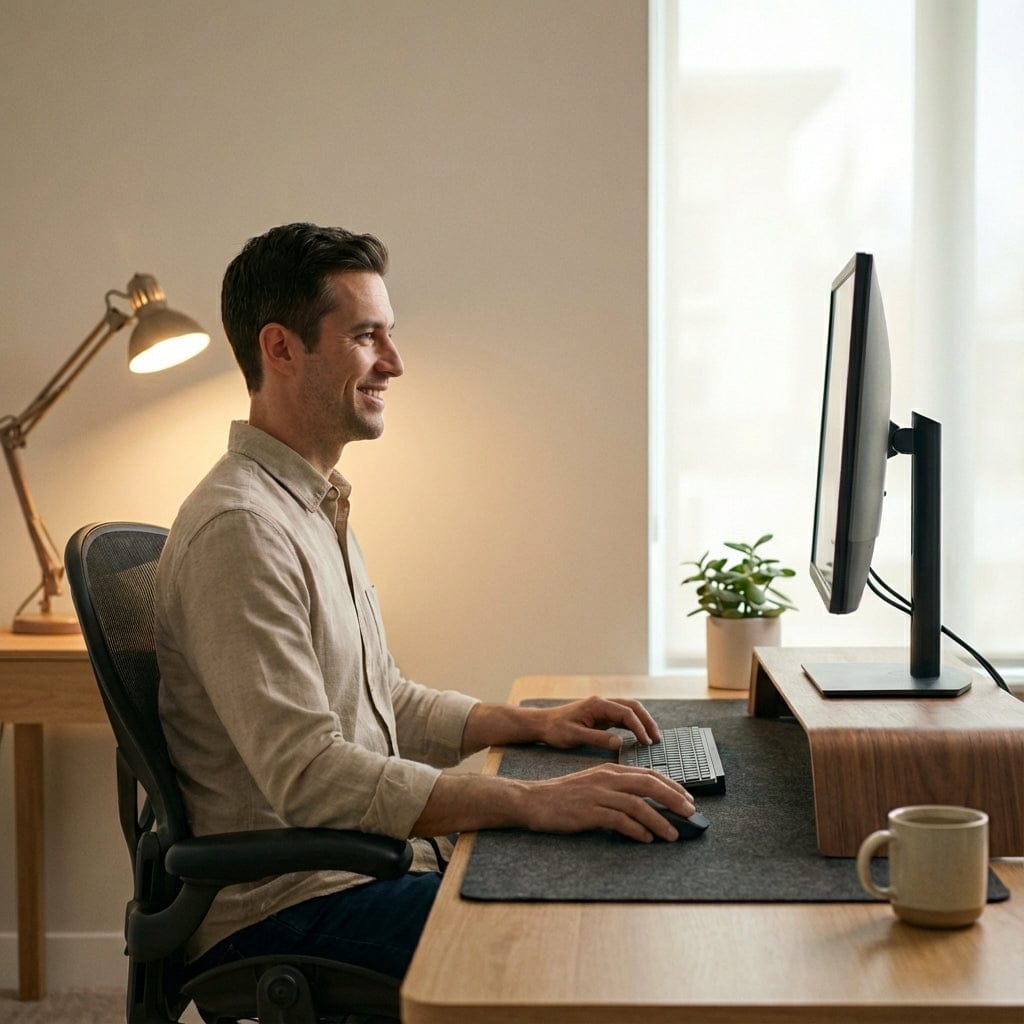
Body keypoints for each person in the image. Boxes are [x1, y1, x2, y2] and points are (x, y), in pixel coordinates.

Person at [154, 222, 694, 989]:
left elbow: (384, 701)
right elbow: (307, 775)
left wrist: (535, 725)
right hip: (290, 907)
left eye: (390, 335)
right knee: (573, 942)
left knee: (587, 883)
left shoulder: (313, 506)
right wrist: (528, 802)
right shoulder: (242, 529)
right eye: (367, 337)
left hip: (356, 875)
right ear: (280, 348)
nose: (394, 363)